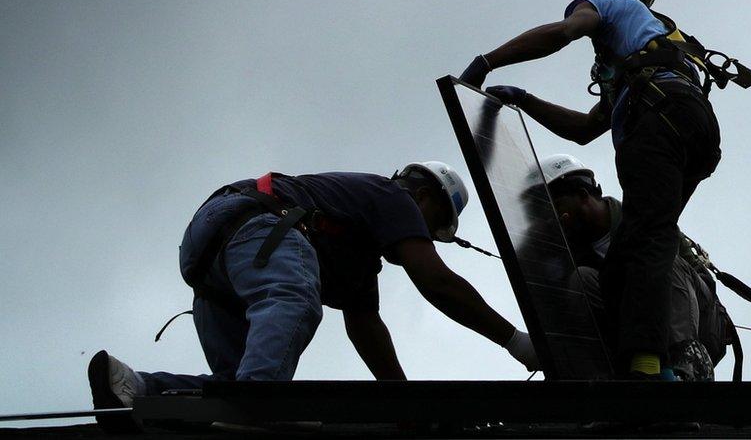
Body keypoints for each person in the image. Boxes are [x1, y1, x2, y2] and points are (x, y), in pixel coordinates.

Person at [88, 162, 537, 431]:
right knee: (295, 304)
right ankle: (256, 404)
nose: (427, 238)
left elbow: (366, 328)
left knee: (227, 396)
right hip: (259, 225)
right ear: (422, 195)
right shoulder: (391, 194)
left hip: (210, 256)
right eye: (434, 225)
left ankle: (138, 386)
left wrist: (405, 405)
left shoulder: (358, 255)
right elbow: (435, 280)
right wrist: (515, 340)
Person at [459, 0, 721, 378]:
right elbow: (584, 129)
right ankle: (638, 365)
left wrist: (487, 63)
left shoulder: (614, 6)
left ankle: (650, 369)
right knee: (627, 257)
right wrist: (525, 99)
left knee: (647, 242)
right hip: (695, 133)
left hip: (660, 121)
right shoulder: (648, 49)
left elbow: (564, 33)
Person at [538, 154, 731, 381]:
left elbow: (702, 282)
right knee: (582, 279)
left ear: (582, 196)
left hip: (701, 324)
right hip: (639, 334)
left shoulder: (644, 218)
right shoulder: (573, 255)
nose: (556, 218)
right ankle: (614, 381)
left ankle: (686, 371)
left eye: (558, 205)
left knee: (660, 258)